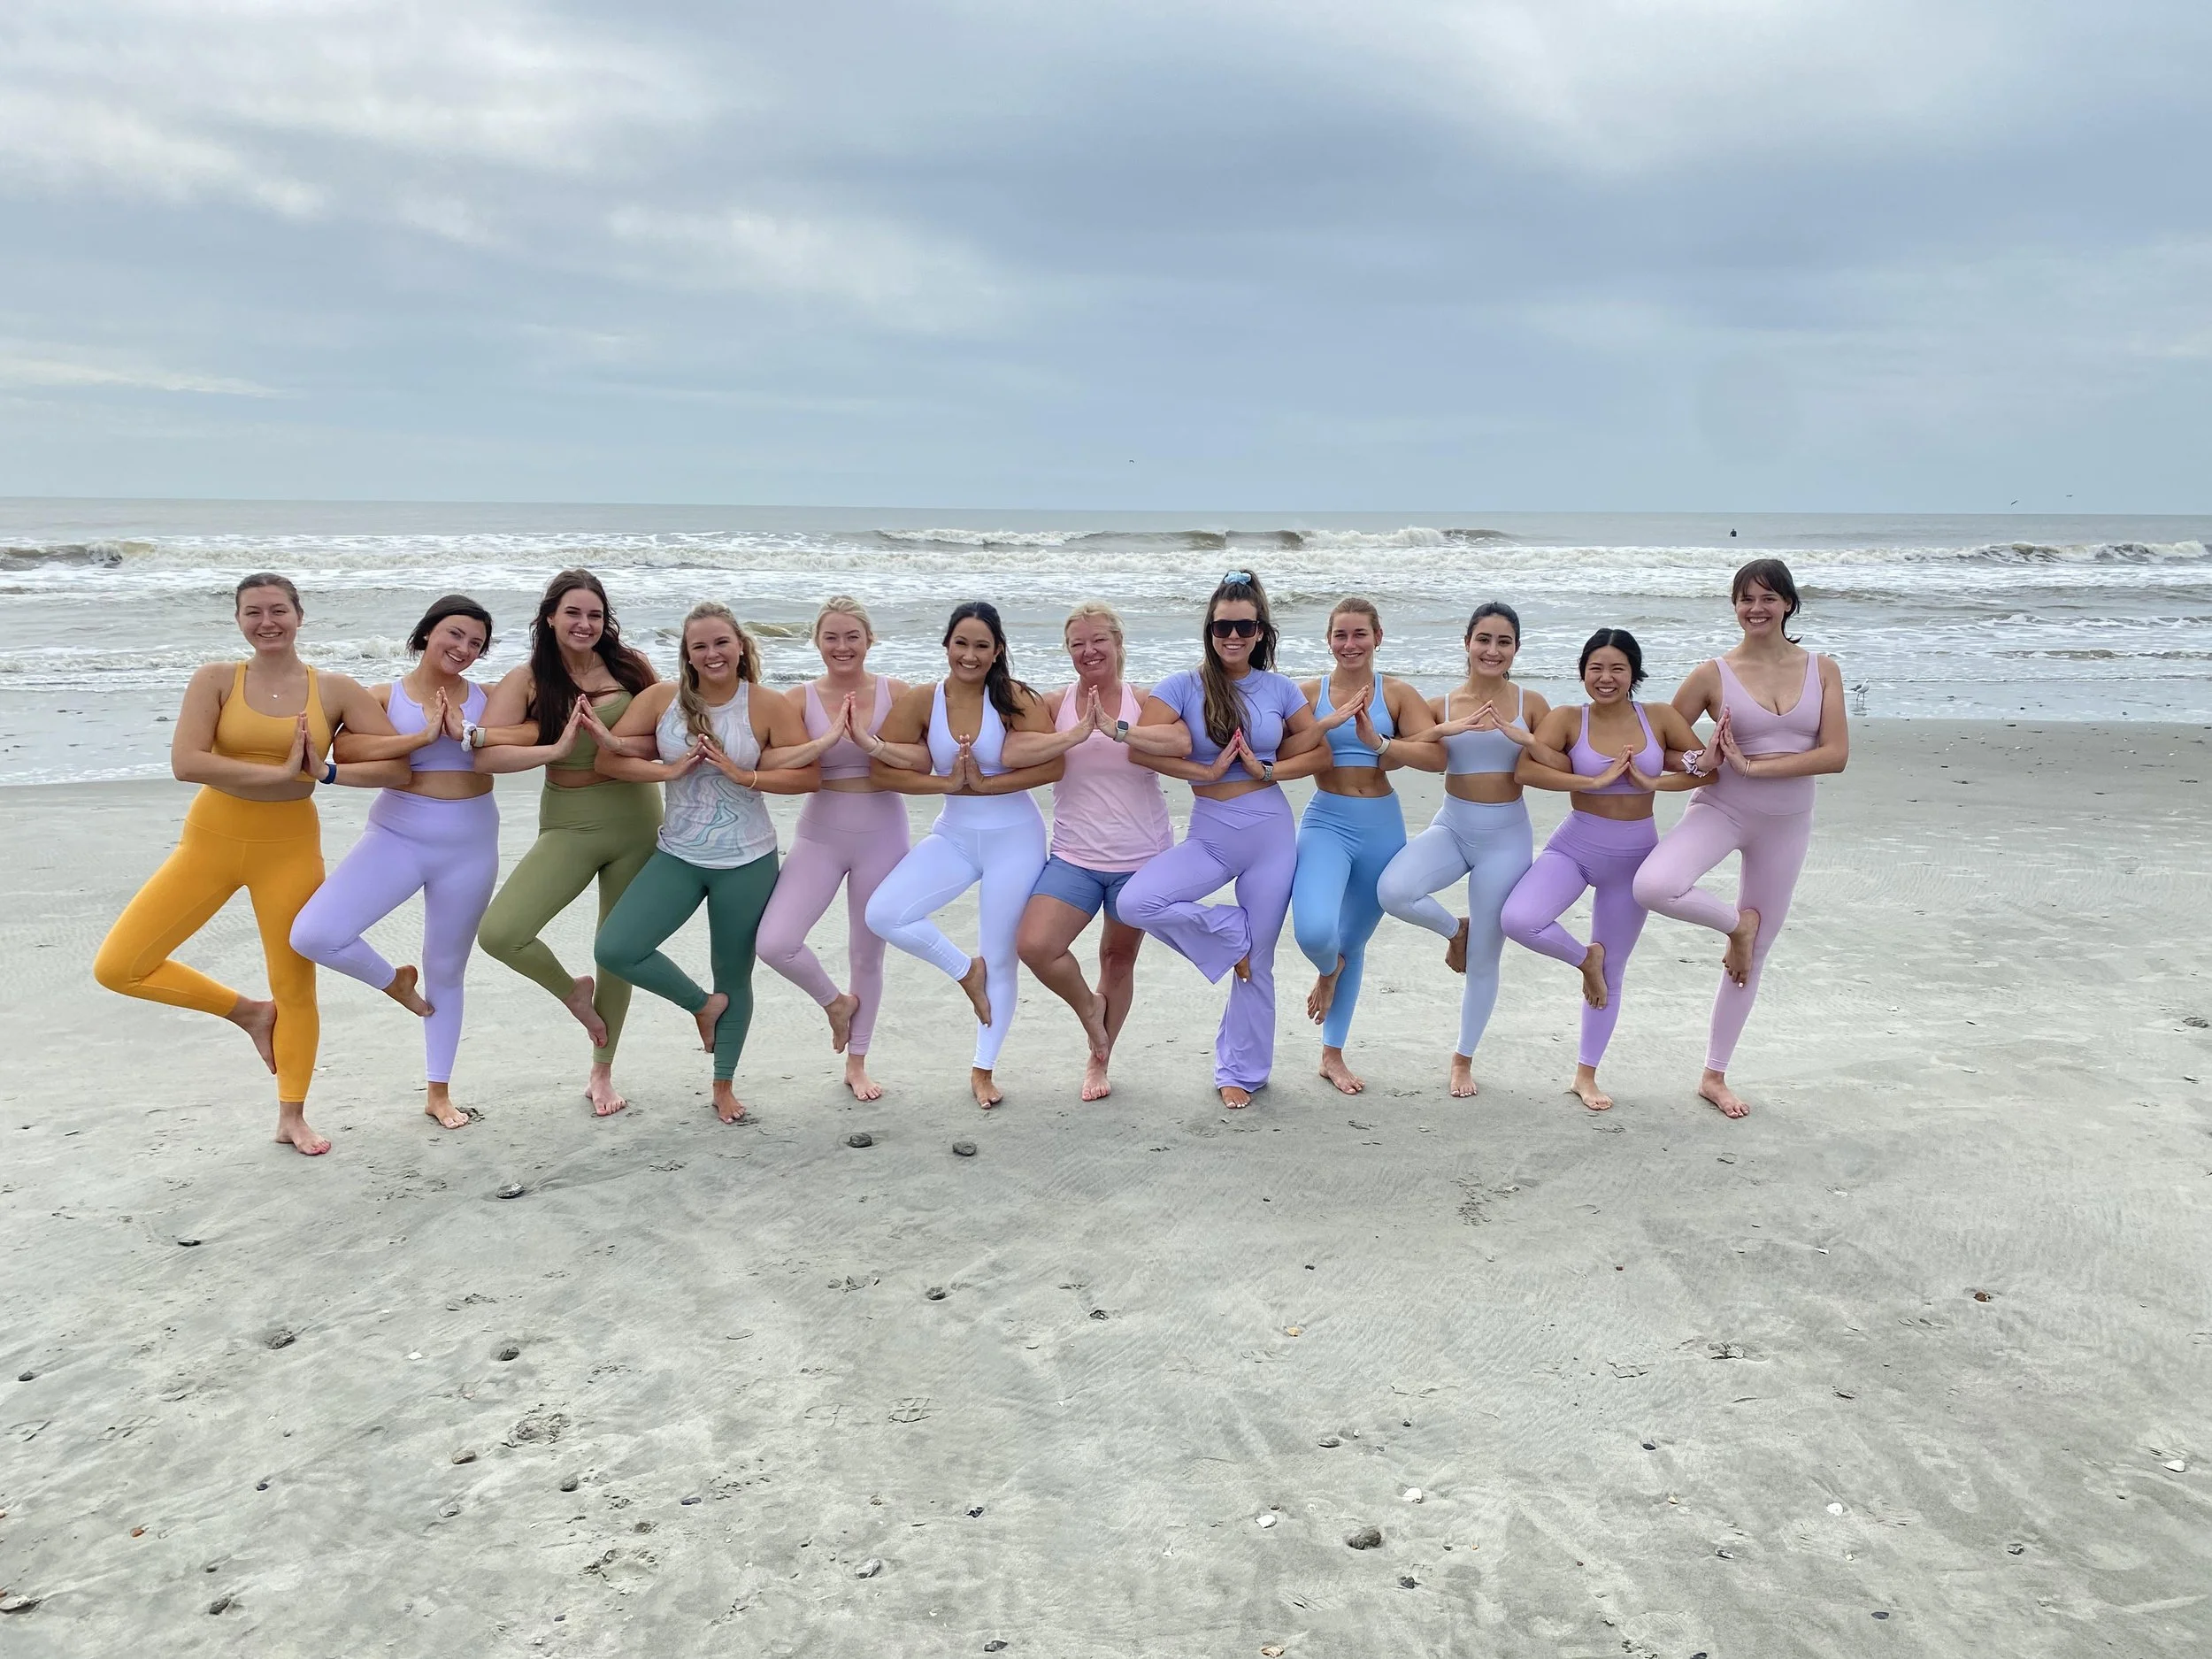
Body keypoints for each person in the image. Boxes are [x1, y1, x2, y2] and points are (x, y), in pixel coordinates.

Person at [93, 573, 412, 1156]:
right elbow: (187, 762)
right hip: (211, 840)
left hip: (289, 847)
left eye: (278, 610)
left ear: (299, 615)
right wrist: (278, 771)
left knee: (295, 986)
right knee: (118, 965)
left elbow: (396, 768)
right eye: (253, 612)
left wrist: (327, 771)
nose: (267, 621)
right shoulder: (215, 679)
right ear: (238, 620)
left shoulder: (335, 689)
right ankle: (247, 1013)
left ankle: (292, 1116)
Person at [1633, 558, 1849, 1118]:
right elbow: (1661, 743)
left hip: (1787, 820)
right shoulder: (1712, 674)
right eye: (1745, 599)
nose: (1756, 608)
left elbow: (1835, 755)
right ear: (1733, 606)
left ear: (1788, 604)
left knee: (1755, 960)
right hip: (1722, 807)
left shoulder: (1822, 669)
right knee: (1654, 885)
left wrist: (1756, 768)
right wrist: (1700, 757)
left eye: (1768, 598)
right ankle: (1738, 926)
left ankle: (1715, 1074)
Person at [591, 603, 822, 1125]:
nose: (712, 654)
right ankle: (700, 1005)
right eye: (701, 646)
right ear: (687, 654)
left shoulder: (766, 704)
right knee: (616, 947)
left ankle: (723, 1085)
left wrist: (748, 779)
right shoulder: (660, 700)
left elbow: (809, 777)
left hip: (747, 860)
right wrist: (667, 769)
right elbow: (608, 759)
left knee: (733, 975)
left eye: (722, 643)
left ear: (741, 646)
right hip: (678, 854)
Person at [1118, 571, 1331, 1109]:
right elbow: (1140, 751)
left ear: (1260, 631)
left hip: (1270, 836)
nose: (1232, 636)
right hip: (1211, 835)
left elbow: (1318, 754)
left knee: (1259, 965)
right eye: (1221, 627)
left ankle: (1243, 1070)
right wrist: (1204, 774)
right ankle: (1228, 932)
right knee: (1136, 901)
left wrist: (1267, 771)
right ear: (1208, 631)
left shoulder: (1280, 689)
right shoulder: (1181, 686)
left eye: (1244, 626)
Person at [289, 595, 503, 1129]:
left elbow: (525, 738)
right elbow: (348, 754)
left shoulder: (491, 700)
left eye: (476, 642)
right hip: (397, 836)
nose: (464, 648)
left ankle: (438, 1092)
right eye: (454, 634)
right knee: (315, 933)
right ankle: (394, 983)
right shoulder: (381, 698)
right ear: (427, 632)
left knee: (447, 970)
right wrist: (424, 736)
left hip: (471, 844)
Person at [473, 570, 660, 1118]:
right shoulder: (529, 680)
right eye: (573, 613)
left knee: (617, 947)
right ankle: (573, 993)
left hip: (636, 818)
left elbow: (666, 733)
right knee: (503, 931)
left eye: (595, 615)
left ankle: (603, 1071)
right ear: (550, 617)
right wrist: (555, 752)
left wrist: (613, 740)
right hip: (570, 822)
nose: (585, 624)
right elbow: (486, 756)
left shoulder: (631, 669)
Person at [864, 603, 1063, 1110]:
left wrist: (984, 787)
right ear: (947, 645)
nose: (969, 655)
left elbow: (1054, 765)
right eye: (961, 644)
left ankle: (983, 1068)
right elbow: (882, 772)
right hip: (953, 835)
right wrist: (946, 784)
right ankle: (963, 970)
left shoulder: (1016, 699)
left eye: (981, 645)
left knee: (1001, 956)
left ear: (997, 651)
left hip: (1014, 839)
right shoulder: (922, 700)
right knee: (884, 913)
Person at [1501, 628, 1705, 1112]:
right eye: (1596, 668)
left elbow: (1705, 769)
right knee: (1519, 919)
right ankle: (1582, 959)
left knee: (1615, 970)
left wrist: (1651, 778)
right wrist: (1593, 780)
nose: (1606, 677)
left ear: (1634, 672)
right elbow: (1526, 771)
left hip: (1635, 859)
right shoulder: (1568, 718)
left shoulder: (1658, 717)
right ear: (1583, 672)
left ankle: (1585, 1076)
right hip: (1574, 845)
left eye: (1617, 668)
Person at [1375, 602, 1553, 1098]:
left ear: (1516, 649)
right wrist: (1440, 730)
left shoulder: (1533, 704)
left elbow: (1559, 759)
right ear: (1467, 643)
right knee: (1393, 890)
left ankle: (1462, 1059)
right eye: (1484, 640)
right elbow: (1399, 753)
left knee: (1486, 959)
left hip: (1507, 837)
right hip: (1452, 826)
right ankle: (1457, 930)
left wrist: (1526, 739)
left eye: (1503, 642)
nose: (1492, 650)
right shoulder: (1442, 704)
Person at [1002, 603, 1179, 1101]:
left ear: (1119, 644)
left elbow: (1181, 743)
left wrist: (1118, 730)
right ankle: (1089, 1010)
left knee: (1116, 960)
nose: (1088, 651)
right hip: (1074, 858)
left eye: (1098, 640)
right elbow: (1014, 750)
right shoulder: (1054, 704)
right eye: (1077, 643)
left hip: (1140, 859)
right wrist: (1075, 733)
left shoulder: (1146, 701)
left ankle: (1099, 1061)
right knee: (1035, 946)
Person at [1278, 596, 1437, 1094]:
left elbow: (1436, 755)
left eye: (1359, 634)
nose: (1350, 644)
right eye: (1341, 635)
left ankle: (1332, 1054)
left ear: (1378, 636)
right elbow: (1281, 751)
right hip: (1326, 821)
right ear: (1328, 640)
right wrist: (1324, 724)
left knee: (1353, 941)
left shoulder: (1399, 694)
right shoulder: (1306, 694)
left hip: (1382, 827)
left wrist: (1380, 743)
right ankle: (1329, 971)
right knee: (1315, 933)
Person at [755, 597, 911, 1102]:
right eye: (831, 637)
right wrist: (823, 746)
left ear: (869, 640)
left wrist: (870, 744)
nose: (842, 647)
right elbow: (772, 757)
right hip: (818, 836)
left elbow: (924, 755)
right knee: (775, 942)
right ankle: (834, 1004)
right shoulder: (797, 699)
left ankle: (858, 1062)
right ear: (817, 642)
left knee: (867, 954)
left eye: (852, 637)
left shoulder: (900, 694)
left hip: (883, 835)